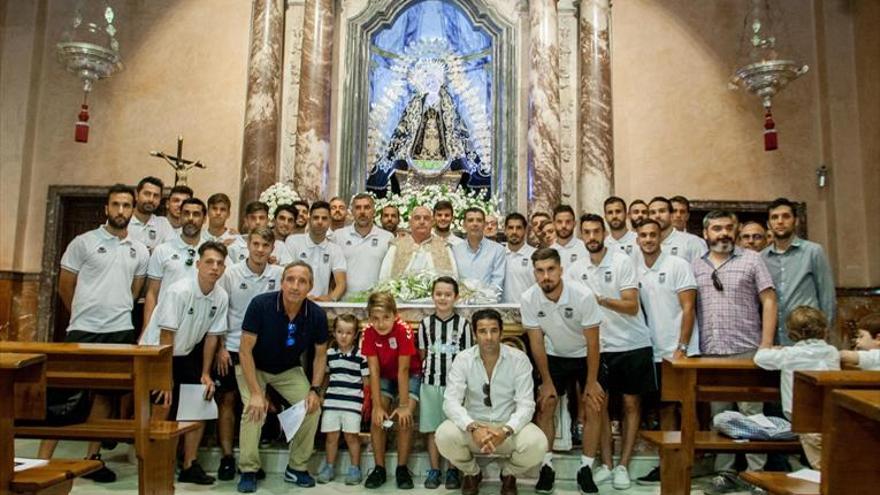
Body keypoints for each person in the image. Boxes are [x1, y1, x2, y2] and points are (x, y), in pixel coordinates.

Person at [38, 184, 150, 481]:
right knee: (63, 396)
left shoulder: (139, 250)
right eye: (116, 205)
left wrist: (116, 310)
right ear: (106, 208)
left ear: (132, 208)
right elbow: (66, 286)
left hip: (119, 331)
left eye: (127, 205)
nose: (121, 211)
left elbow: (135, 290)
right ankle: (39, 462)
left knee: (105, 397)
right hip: (83, 330)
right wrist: (84, 312)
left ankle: (93, 458)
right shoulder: (83, 242)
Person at [568, 213, 656, 490]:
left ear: (604, 233)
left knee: (631, 404)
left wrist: (599, 300)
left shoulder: (622, 261)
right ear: (581, 236)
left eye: (596, 232)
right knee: (598, 406)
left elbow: (632, 305)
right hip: (598, 347)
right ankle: (606, 463)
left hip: (631, 343)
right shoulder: (575, 269)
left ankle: (624, 465)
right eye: (587, 232)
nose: (592, 237)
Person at [692, 210, 777, 495]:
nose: (723, 233)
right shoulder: (696, 265)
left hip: (747, 350)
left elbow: (769, 301)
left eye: (728, 228)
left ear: (736, 230)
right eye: (716, 228)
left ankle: (757, 476)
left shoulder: (752, 260)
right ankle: (724, 473)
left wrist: (765, 344)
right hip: (712, 353)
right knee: (720, 417)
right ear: (706, 233)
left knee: (752, 417)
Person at [234, 261, 329, 493]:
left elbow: (320, 355)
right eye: (290, 279)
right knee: (253, 409)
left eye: (302, 281)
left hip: (287, 369)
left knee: (312, 407)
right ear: (282, 282)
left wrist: (315, 390)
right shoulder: (261, 305)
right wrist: (257, 393)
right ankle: (248, 469)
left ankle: (296, 467)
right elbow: (244, 351)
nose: (295, 286)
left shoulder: (316, 314)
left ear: (310, 287)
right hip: (253, 366)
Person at [141, 241, 229, 485]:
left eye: (220, 263)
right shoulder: (179, 291)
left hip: (186, 353)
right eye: (209, 262)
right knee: (163, 402)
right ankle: (153, 462)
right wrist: (164, 377)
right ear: (198, 264)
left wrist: (205, 373)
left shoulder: (220, 296)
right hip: (157, 353)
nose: (214, 267)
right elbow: (166, 335)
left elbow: (212, 337)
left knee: (199, 399)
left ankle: (189, 464)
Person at [436, 309, 549, 495]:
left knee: (538, 443)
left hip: (507, 429)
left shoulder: (518, 360)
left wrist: (505, 430)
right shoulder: (463, 359)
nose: (488, 337)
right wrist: (473, 427)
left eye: (494, 330)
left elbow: (526, 405)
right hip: (475, 429)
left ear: (501, 332)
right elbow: (451, 402)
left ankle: (509, 474)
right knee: (443, 435)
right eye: (482, 331)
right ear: (474, 334)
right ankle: (472, 473)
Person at [521, 248, 603, 494]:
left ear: (561, 270)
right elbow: (536, 342)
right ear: (534, 273)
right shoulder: (529, 298)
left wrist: (591, 383)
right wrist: (546, 381)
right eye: (540, 271)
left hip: (585, 355)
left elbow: (593, 343)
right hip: (554, 355)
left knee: (594, 403)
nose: (546, 276)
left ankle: (586, 468)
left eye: (551, 269)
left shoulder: (583, 295)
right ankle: (546, 467)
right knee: (545, 403)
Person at [213, 227, 283, 481]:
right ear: (248, 246)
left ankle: (249, 459)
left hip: (263, 352)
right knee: (229, 401)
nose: (260, 250)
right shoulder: (231, 274)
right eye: (256, 244)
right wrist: (220, 347)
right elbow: (220, 309)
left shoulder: (279, 274)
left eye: (265, 245)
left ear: (272, 248)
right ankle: (227, 457)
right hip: (232, 346)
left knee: (254, 404)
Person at [632, 219, 698, 486]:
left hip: (679, 351)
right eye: (643, 235)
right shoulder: (636, 269)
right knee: (665, 408)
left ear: (661, 238)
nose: (648, 239)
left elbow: (689, 307)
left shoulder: (677, 265)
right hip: (653, 351)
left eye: (652, 235)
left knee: (687, 409)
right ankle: (668, 465)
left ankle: (688, 464)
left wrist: (681, 347)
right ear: (637, 239)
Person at [754, 306, 840, 470]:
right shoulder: (832, 352)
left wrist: (768, 345)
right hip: (831, 415)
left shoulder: (789, 355)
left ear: (791, 333)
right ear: (824, 329)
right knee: (828, 461)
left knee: (822, 466)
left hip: (804, 420)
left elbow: (760, 358)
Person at [361, 292, 422, 489]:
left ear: (395, 315)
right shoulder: (369, 332)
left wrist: (404, 405)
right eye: (375, 318)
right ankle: (379, 468)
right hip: (385, 376)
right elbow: (374, 370)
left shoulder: (403, 330)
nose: (381, 324)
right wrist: (378, 406)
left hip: (409, 374)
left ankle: (402, 469)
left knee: (405, 417)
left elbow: (404, 369)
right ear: (369, 318)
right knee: (377, 419)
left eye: (386, 318)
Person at [418, 277, 473, 489]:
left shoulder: (463, 325)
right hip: (431, 383)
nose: (443, 298)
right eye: (438, 294)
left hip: (455, 387)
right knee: (433, 429)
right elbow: (423, 354)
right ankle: (434, 469)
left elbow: (467, 357)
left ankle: (452, 470)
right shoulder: (425, 324)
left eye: (448, 294)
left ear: (455, 297)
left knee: (454, 428)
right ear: (433, 296)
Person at [761, 197, 836, 346]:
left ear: (796, 221)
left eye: (786, 216)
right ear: (769, 224)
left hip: (809, 335)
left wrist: (824, 333)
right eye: (775, 217)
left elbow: (827, 296)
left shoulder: (813, 251)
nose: (780, 221)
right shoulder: (761, 258)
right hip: (775, 337)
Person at [316, 314, 369, 485]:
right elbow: (325, 377)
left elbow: (366, 381)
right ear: (334, 333)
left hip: (353, 403)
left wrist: (367, 401)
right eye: (339, 332)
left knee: (351, 437)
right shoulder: (329, 354)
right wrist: (321, 395)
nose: (343, 336)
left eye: (348, 333)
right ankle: (329, 466)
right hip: (332, 402)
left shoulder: (361, 356)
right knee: (331, 436)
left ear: (355, 335)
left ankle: (355, 468)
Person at [142, 197, 206, 334]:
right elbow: (152, 293)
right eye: (186, 213)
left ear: (204, 219)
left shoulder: (211, 253)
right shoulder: (162, 250)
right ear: (180, 216)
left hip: (197, 330)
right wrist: (146, 331)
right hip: (165, 327)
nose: (190, 218)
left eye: (196, 214)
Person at [333, 193, 393, 299]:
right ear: (351, 212)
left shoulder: (387, 237)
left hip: (375, 304)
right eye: (358, 208)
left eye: (367, 207)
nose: (362, 212)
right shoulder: (338, 236)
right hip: (344, 304)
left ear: (374, 211)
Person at [285, 201, 347, 301]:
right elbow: (286, 275)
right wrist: (301, 297)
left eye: (324, 218)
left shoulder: (335, 249)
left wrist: (330, 298)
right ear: (309, 220)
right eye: (316, 217)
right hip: (294, 301)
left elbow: (341, 283)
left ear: (330, 221)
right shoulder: (293, 241)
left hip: (321, 306)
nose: (320, 222)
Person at [379, 205, 457, 280]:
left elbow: (454, 278)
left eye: (426, 218)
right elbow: (384, 277)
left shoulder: (444, 247)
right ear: (410, 223)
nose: (422, 222)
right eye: (417, 218)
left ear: (432, 222)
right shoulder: (397, 246)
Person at [452, 207, 506, 295]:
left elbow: (497, 282)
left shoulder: (498, 250)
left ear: (484, 224)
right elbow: (453, 279)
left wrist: (480, 298)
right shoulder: (455, 250)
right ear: (464, 225)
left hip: (488, 304)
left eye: (479, 220)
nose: (475, 224)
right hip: (460, 303)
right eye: (470, 220)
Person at [647, 196, 707, 263]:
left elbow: (704, 271)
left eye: (662, 211)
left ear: (671, 215)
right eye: (652, 212)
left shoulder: (693, 242)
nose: (657, 216)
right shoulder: (643, 243)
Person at [128, 176, 175, 251]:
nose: (151, 199)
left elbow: (171, 252)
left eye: (156, 196)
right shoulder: (123, 221)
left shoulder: (163, 224)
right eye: (147, 194)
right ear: (136, 195)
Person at [502, 213, 536, 303]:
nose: (514, 232)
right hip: (502, 311)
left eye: (518, 228)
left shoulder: (535, 255)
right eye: (510, 228)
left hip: (528, 310)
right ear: (505, 230)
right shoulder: (498, 255)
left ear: (525, 230)